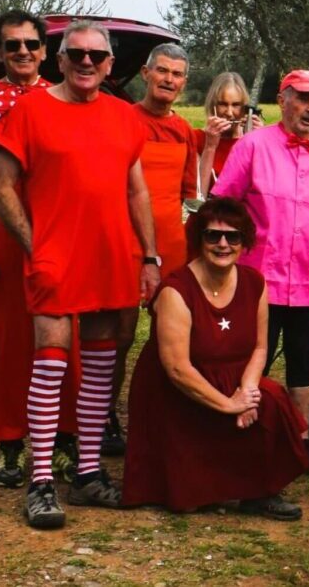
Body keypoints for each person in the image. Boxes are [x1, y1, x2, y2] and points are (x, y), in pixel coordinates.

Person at [0, 19, 161, 529]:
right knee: (51, 362)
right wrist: (35, 247)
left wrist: (149, 256)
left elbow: (137, 192)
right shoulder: (31, 110)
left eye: (97, 56)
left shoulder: (124, 117)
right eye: (77, 54)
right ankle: (42, 481)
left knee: (100, 369)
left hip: (113, 256)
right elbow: (1, 187)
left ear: (109, 65)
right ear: (59, 60)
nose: (87, 62)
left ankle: (87, 472)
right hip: (56, 258)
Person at [0, 9, 81, 489]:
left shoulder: (66, 99)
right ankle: (11, 442)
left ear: (46, 51)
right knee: (9, 339)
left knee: (67, 332)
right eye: (12, 45)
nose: (22, 52)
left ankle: (65, 438)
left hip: (58, 225)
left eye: (31, 44)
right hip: (0, 231)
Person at [212, 69, 309, 479]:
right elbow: (222, 204)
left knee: (302, 360)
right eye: (304, 100)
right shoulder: (253, 145)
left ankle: (299, 443)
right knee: (251, 362)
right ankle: (244, 436)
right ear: (283, 100)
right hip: (260, 278)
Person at [122, 198, 307, 519]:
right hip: (178, 393)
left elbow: (260, 348)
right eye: (212, 236)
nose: (223, 244)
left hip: (233, 381)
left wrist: (247, 394)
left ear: (244, 241)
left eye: (232, 237)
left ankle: (260, 491)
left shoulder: (255, 283)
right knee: (191, 502)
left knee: (272, 398)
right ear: (199, 240)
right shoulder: (175, 290)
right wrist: (228, 405)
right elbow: (177, 369)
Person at [107, 43, 199, 456]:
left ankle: (167, 417)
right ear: (145, 73)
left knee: (174, 337)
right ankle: (104, 415)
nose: (169, 80)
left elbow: (190, 194)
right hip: (126, 242)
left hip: (173, 245)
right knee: (119, 336)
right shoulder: (120, 120)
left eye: (177, 74)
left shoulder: (183, 130)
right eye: (162, 71)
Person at [194, 72, 265, 197]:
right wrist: (210, 146)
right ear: (213, 105)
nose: (229, 112)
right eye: (223, 104)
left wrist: (262, 144)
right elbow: (198, 196)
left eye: (236, 105)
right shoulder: (197, 138)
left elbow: (263, 190)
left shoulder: (250, 140)